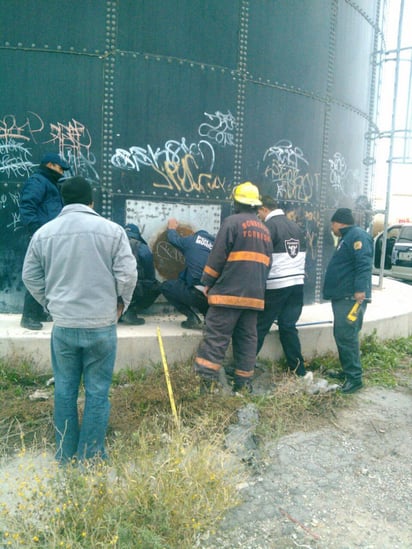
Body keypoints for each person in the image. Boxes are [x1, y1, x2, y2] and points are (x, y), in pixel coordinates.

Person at [22, 177, 137, 464]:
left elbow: (30, 276)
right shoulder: (113, 231)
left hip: (64, 326)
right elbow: (128, 274)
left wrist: (50, 304)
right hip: (101, 325)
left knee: (64, 390)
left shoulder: (44, 233)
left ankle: (64, 454)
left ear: (63, 201)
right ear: (91, 202)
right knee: (97, 392)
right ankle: (91, 455)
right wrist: (122, 303)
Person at [194, 181, 273, 393]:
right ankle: (243, 384)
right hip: (254, 298)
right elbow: (267, 264)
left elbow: (217, 256)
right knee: (247, 339)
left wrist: (207, 283)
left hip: (228, 295)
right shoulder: (265, 231)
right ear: (255, 205)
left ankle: (206, 383)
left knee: (216, 337)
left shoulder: (231, 223)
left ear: (237, 203)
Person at [256, 196, 308, 376]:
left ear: (264, 209)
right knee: (288, 326)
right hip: (297, 285)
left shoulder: (268, 227)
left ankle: (244, 368)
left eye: (258, 212)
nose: (258, 216)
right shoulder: (296, 227)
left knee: (259, 326)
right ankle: (298, 369)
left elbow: (262, 260)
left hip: (277, 284)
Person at [323, 207, 373, 394]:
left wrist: (360, 290)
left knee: (347, 336)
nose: (331, 229)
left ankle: (354, 378)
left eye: (332, 224)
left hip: (351, 298)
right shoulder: (348, 237)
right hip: (344, 297)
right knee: (343, 335)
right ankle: (347, 371)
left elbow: (364, 263)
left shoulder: (357, 236)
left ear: (339, 222)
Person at [19, 152, 70, 330]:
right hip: (40, 237)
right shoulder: (38, 181)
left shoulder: (50, 183)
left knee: (47, 275)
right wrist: (37, 232)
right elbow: (27, 206)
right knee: (38, 274)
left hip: (49, 237)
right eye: (60, 168)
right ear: (50, 165)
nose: (62, 172)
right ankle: (28, 316)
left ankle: (38, 312)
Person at [160, 218, 215, 329]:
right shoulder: (216, 246)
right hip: (213, 297)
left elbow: (173, 239)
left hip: (196, 294)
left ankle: (192, 317)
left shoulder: (192, 240)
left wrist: (171, 228)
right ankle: (208, 318)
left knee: (166, 286)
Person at [120, 223, 161, 325]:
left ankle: (118, 312)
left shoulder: (114, 245)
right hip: (135, 289)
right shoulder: (142, 248)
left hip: (114, 290)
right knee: (157, 286)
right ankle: (131, 311)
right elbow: (150, 276)